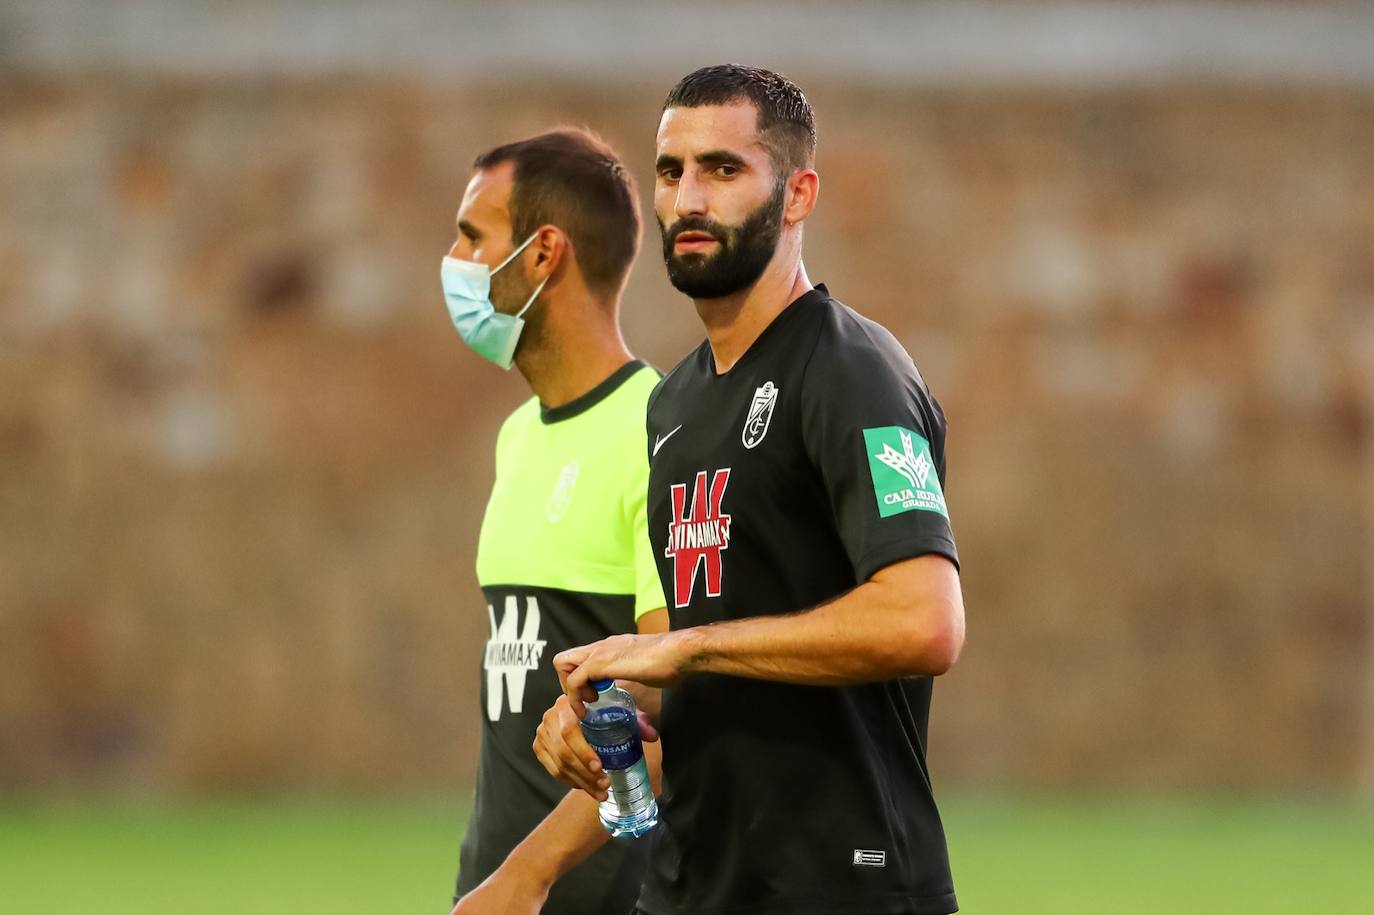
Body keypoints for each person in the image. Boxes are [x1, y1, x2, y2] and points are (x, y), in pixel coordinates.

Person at [534, 65, 966, 915]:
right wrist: (604, 704)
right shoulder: (673, 404)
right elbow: (689, 657)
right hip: (694, 886)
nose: (689, 198)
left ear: (797, 194)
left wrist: (687, 650)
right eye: (671, 171)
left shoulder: (851, 371)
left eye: (723, 170)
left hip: (845, 888)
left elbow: (925, 620)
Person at [440, 128, 668, 915]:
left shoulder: (659, 431)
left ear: (543, 254)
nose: (454, 261)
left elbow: (669, 704)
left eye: (473, 236)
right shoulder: (518, 436)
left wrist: (530, 872)